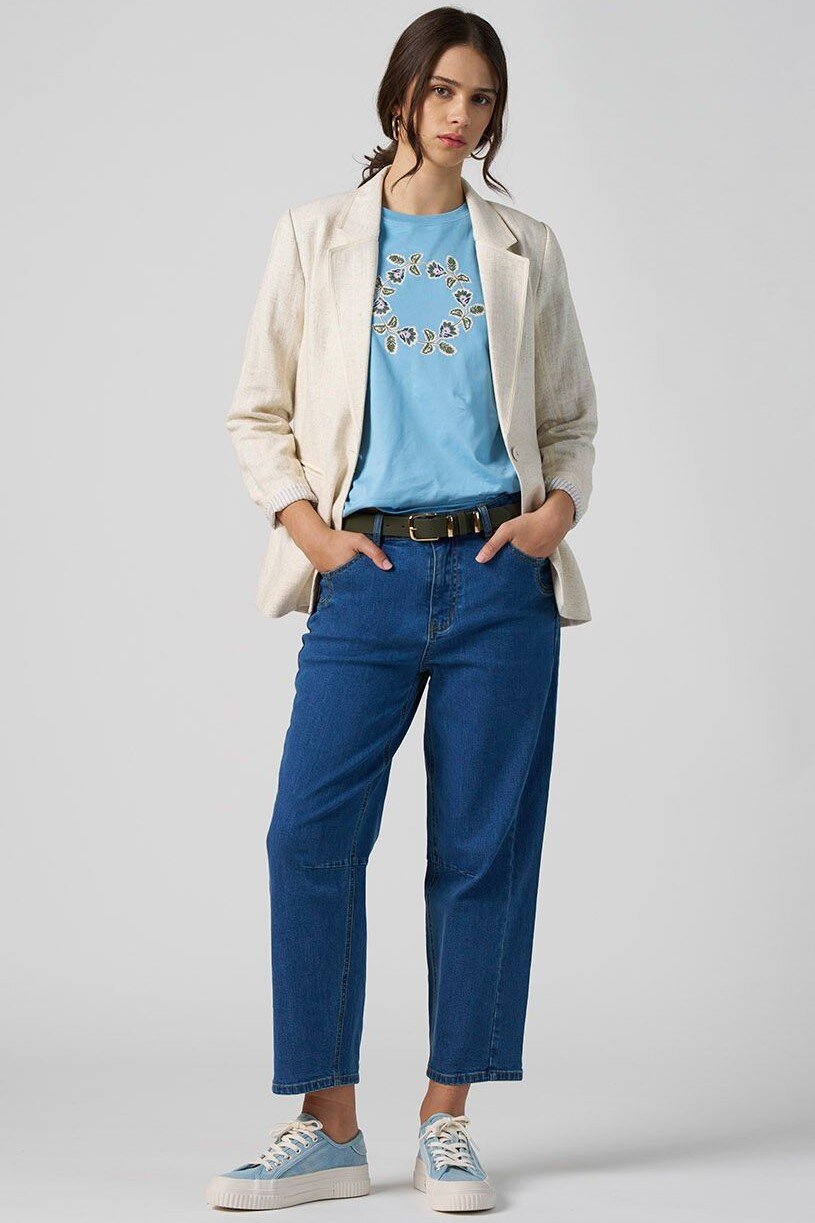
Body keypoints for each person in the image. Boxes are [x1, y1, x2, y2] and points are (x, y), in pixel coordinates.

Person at [207, 7, 597, 1213]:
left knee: (481, 849)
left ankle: (445, 1117)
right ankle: (328, 1125)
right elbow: (257, 409)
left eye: (480, 99)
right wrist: (306, 528)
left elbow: (570, 417)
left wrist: (552, 514)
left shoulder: (524, 246)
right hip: (364, 575)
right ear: (400, 98)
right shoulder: (314, 234)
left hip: (496, 577)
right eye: (442, 92)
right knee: (306, 835)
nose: (459, 116)